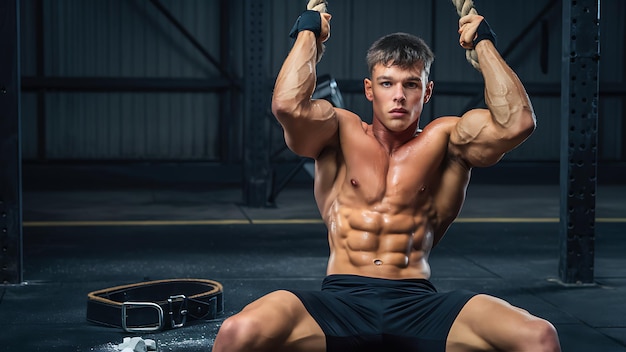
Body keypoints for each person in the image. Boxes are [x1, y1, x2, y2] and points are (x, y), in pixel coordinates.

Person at [213, 6, 561, 352]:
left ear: (426, 92)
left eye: (411, 84)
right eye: (387, 83)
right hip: (340, 303)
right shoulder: (339, 132)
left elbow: (517, 123)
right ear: (369, 89)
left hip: (418, 304)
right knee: (239, 331)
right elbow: (287, 106)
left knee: (538, 336)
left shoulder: (447, 140)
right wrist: (308, 30)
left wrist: (483, 44)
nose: (398, 95)